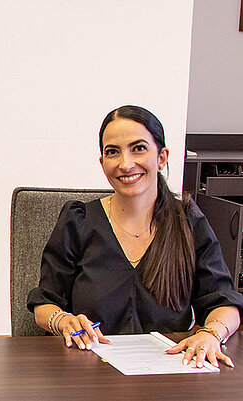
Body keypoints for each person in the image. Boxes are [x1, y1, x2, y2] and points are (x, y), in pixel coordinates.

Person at [27, 105, 243, 368]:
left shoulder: (187, 220)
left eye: (138, 148)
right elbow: (45, 303)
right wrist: (62, 320)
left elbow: (225, 302)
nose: (125, 164)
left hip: (171, 370)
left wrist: (211, 334)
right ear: (102, 163)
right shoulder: (78, 220)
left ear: (162, 157)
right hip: (89, 371)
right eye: (112, 152)